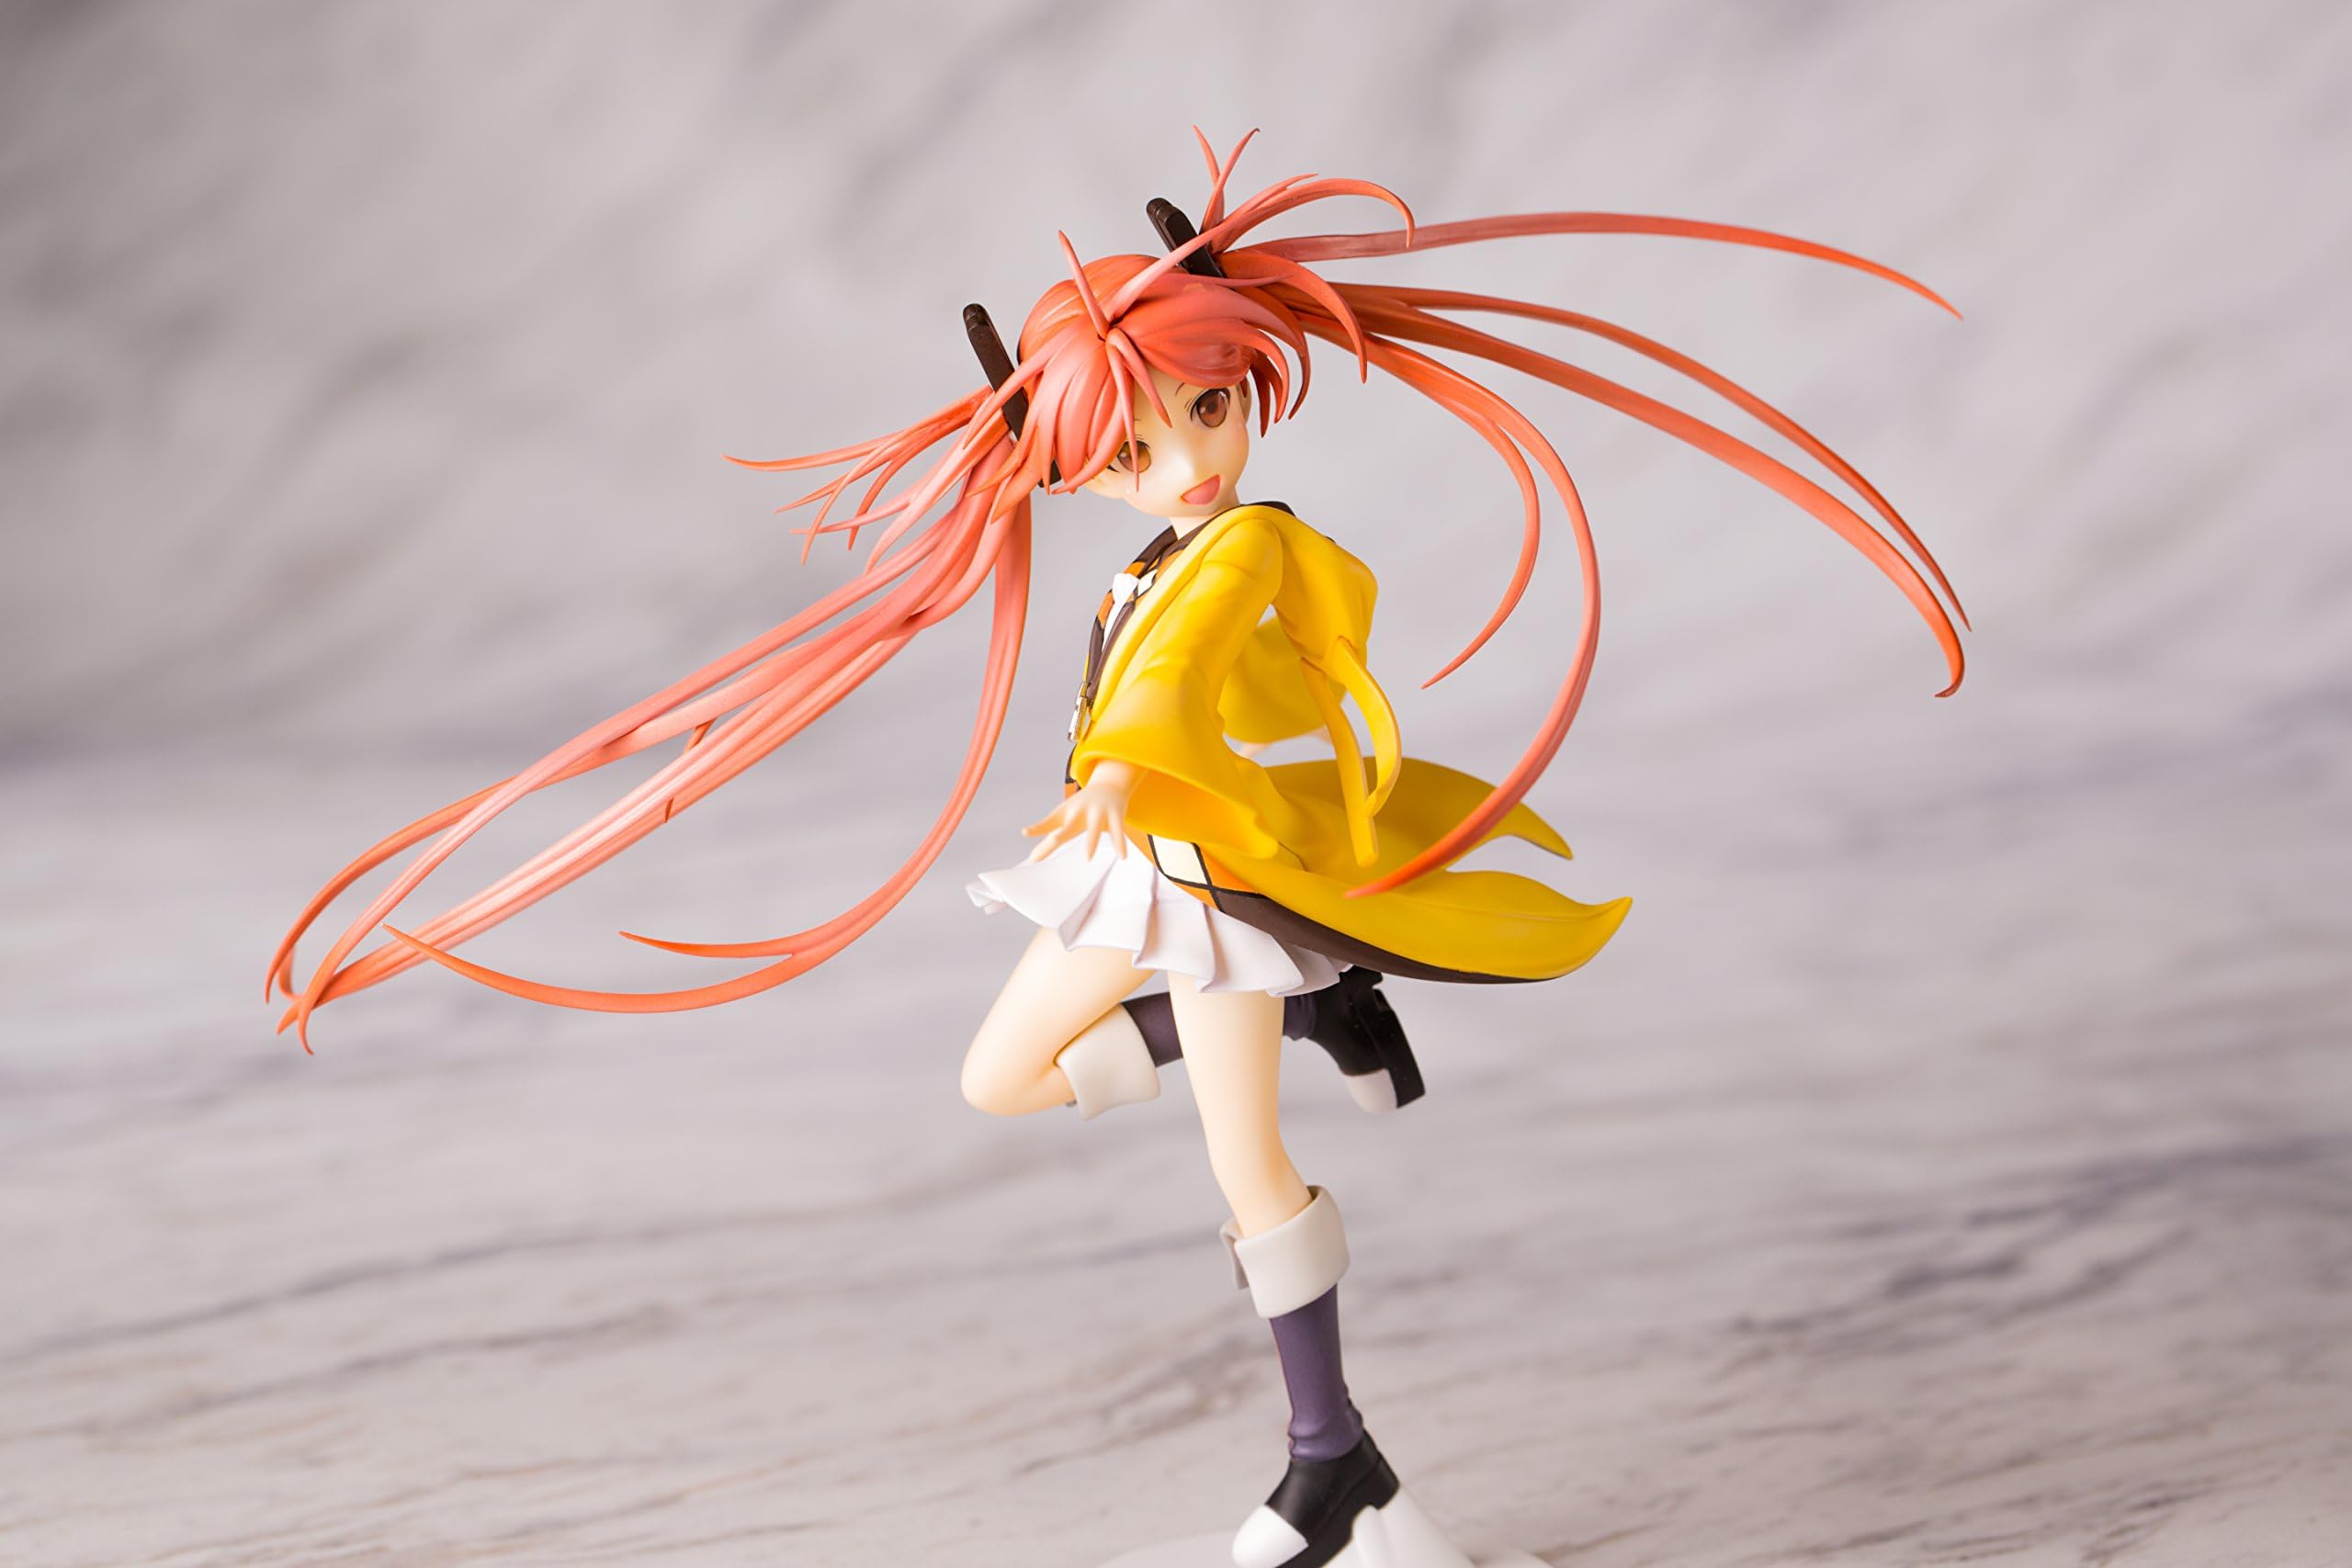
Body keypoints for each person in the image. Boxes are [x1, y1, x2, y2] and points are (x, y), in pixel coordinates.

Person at [269, 130, 1964, 1567]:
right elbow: (1149, 661)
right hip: (1156, 873)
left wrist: (1129, 771)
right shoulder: (1142, 554)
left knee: (1239, 1166)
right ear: (1078, 469)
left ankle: (1334, 1465)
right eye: (1136, 450)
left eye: (1206, 413)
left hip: (1195, 878)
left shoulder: (1238, 547)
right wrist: (1123, 782)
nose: (1184, 464)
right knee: (1007, 1081)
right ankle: (1322, 1017)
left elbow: (1180, 675)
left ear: (1248, 388)